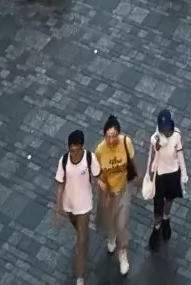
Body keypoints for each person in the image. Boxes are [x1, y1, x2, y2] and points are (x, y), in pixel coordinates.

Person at [54, 128, 100, 285]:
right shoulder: (64, 161)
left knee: (80, 243)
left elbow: (98, 177)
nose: (72, 151)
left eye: (75, 148)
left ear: (81, 147)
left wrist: (105, 194)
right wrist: (58, 208)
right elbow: (60, 184)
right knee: (79, 230)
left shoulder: (89, 158)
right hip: (70, 205)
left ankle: (80, 277)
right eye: (70, 148)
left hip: (84, 206)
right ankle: (83, 237)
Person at [93, 115, 134, 277]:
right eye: (108, 137)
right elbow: (97, 173)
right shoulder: (100, 150)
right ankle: (111, 237)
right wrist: (102, 185)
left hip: (122, 190)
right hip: (106, 193)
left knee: (122, 223)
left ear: (119, 134)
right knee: (109, 220)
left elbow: (131, 162)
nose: (111, 140)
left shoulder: (126, 143)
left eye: (114, 136)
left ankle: (122, 253)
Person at [144, 109, 188, 250]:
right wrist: (158, 145)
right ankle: (156, 228)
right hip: (160, 175)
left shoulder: (177, 135)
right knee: (157, 205)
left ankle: (166, 219)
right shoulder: (156, 138)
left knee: (169, 200)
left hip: (173, 173)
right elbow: (153, 150)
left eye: (166, 128)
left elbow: (180, 154)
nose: (165, 131)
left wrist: (184, 172)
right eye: (162, 128)